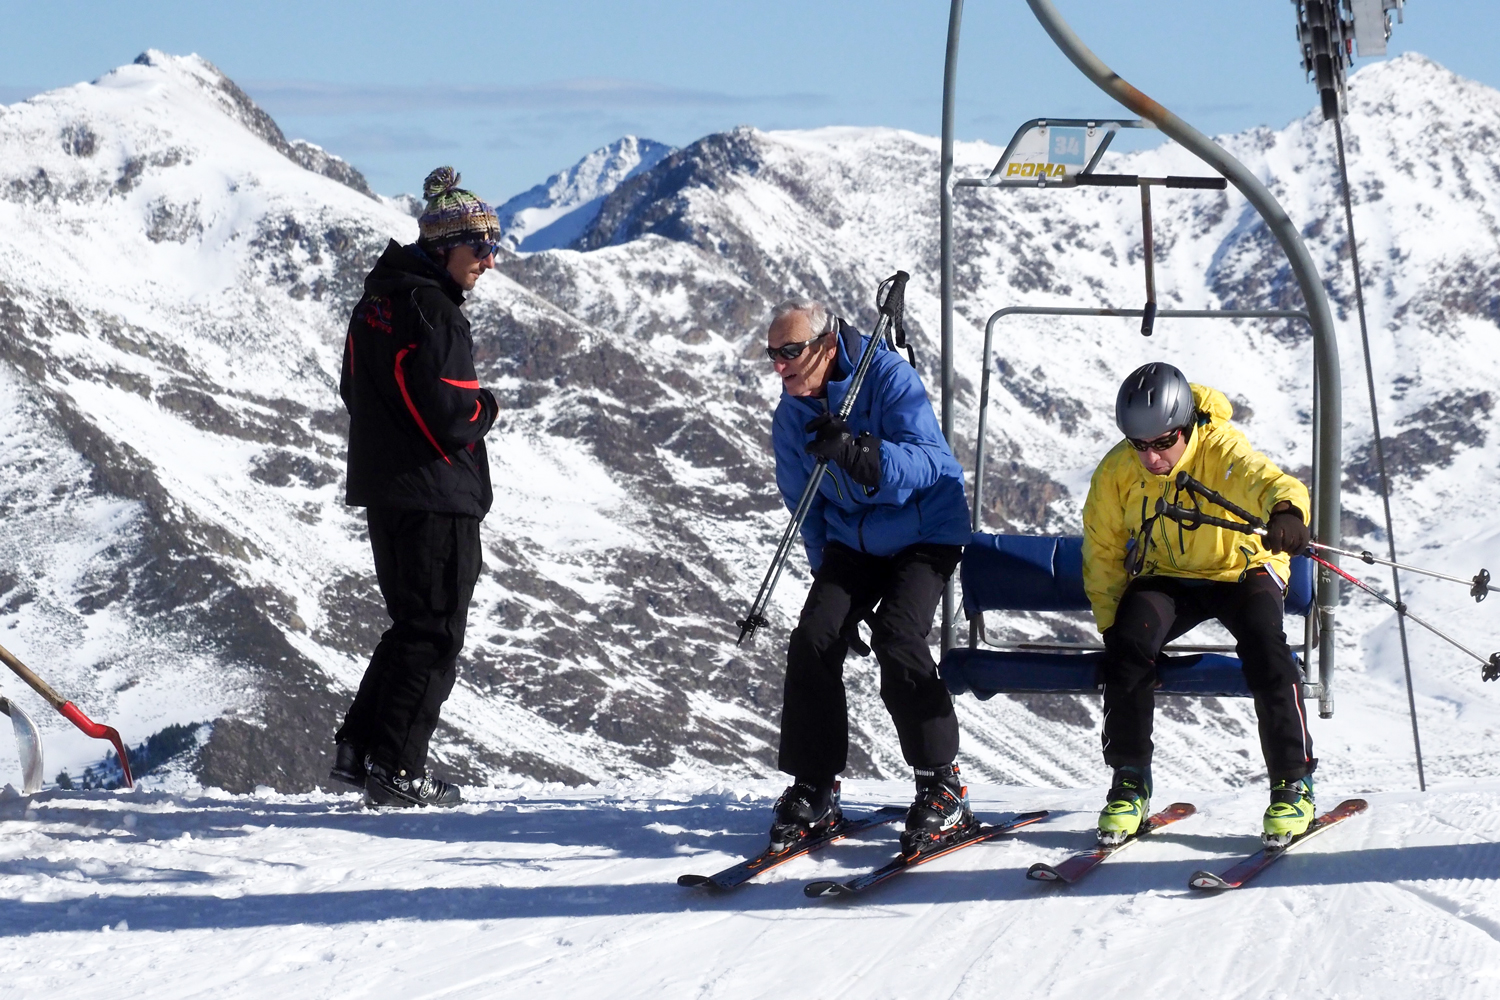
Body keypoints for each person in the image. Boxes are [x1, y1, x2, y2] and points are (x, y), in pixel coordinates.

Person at [763, 298, 973, 855]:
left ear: (827, 345)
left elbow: (932, 460)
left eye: (790, 352)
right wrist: (826, 585)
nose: (780, 365)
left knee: (898, 636)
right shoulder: (791, 416)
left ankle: (941, 781)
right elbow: (804, 505)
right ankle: (815, 782)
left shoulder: (887, 377)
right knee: (814, 636)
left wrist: (864, 455)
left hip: (926, 530)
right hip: (853, 542)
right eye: (772, 355)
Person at [1082, 362, 1315, 847]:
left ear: (1186, 428)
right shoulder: (1116, 472)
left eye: (1163, 443)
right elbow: (1102, 550)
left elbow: (1270, 482)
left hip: (1240, 569)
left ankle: (1293, 783)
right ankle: (1129, 781)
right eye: (1139, 445)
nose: (1151, 458)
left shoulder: (1222, 449)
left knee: (1264, 643)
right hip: (1169, 573)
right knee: (1127, 642)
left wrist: (1287, 512)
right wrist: (1111, 626)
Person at [329, 166, 502, 808]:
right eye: (479, 246)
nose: (489, 260)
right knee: (435, 633)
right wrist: (490, 406)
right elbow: (454, 413)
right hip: (437, 495)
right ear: (443, 246)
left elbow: (354, 391)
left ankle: (360, 748)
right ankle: (398, 768)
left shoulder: (375, 303)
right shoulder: (436, 313)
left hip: (387, 492)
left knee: (410, 624)